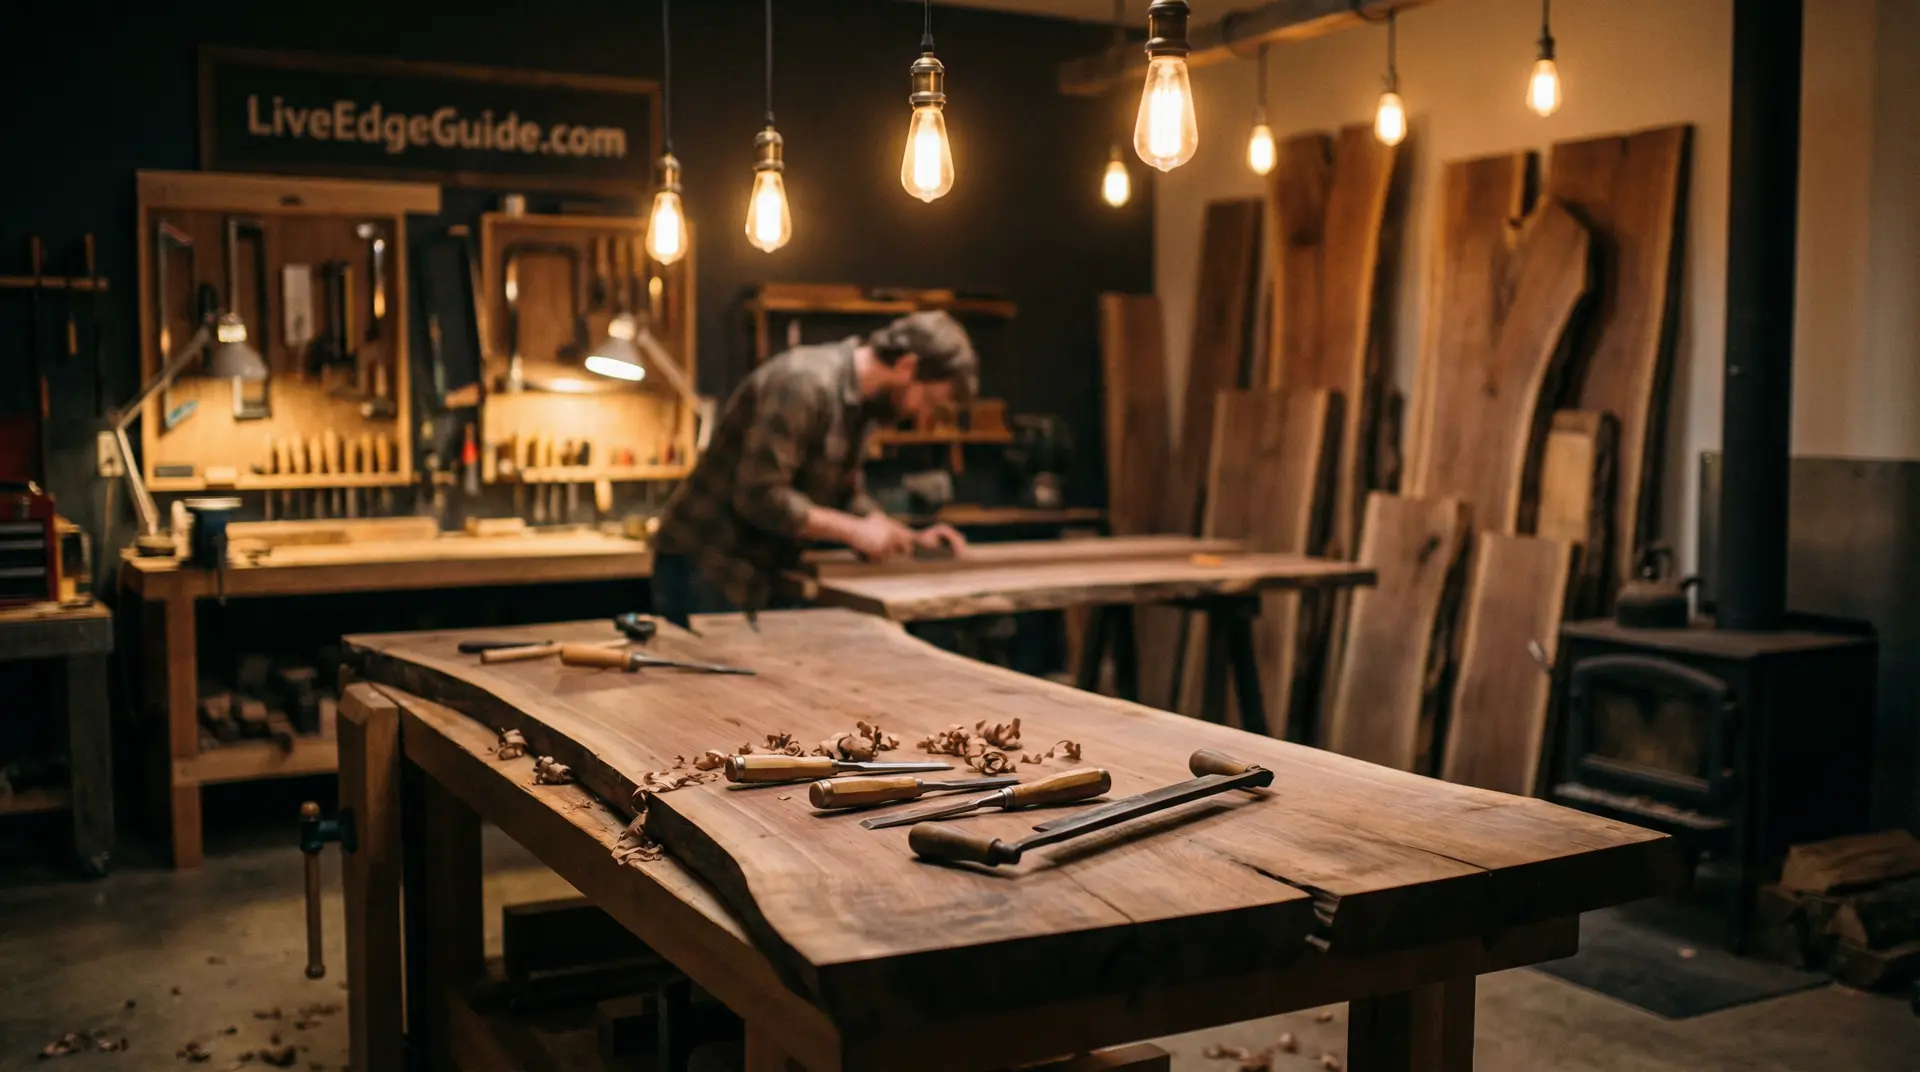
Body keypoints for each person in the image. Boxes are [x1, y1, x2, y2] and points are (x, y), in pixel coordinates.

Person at [651, 310, 976, 626]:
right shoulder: (804, 382)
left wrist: (908, 538)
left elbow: (843, 497)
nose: (922, 414)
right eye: (929, 401)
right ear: (907, 366)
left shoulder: (860, 407)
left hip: (756, 572)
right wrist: (854, 531)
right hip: (707, 564)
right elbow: (759, 495)